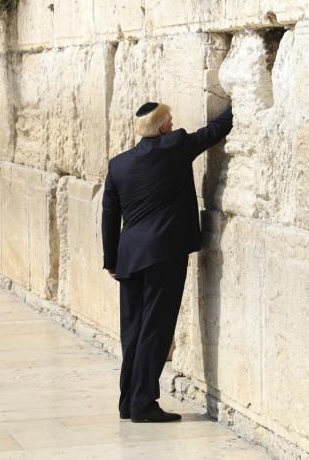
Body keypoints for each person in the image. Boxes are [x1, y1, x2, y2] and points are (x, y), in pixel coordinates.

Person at [101, 100, 233, 423]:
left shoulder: (118, 165)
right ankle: (143, 404)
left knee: (132, 332)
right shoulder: (175, 146)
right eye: (170, 121)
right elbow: (211, 133)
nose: (173, 124)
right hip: (164, 256)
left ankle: (127, 400)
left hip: (129, 258)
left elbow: (109, 215)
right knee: (155, 331)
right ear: (161, 127)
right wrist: (235, 106)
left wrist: (111, 259)